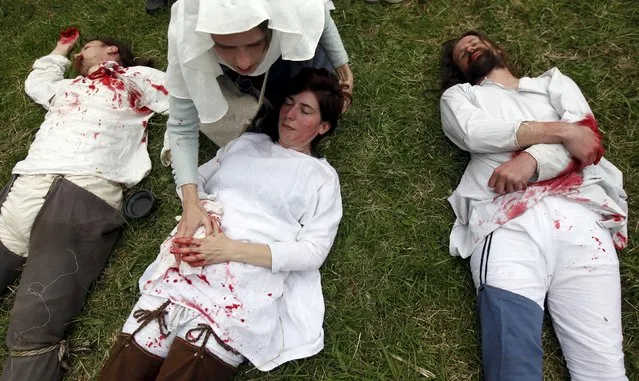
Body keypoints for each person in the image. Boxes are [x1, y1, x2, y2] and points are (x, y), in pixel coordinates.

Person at [99, 68, 348, 381]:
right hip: (185, 266)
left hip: (240, 285)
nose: (290, 114)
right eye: (289, 102)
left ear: (323, 126)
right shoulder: (246, 144)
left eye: (305, 110)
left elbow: (313, 251)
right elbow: (193, 178)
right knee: (122, 371)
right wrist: (198, 209)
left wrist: (231, 249)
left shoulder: (321, 178)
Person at [439, 31, 628, 380]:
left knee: (604, 369)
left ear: (498, 49)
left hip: (584, 223)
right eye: (461, 52)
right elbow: (473, 132)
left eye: (474, 41)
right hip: (507, 224)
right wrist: (561, 132)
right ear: (459, 69)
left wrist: (531, 164)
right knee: (513, 364)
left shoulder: (553, 83)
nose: (468, 46)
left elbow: (586, 140)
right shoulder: (461, 96)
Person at [0, 28, 169, 381]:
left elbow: (182, 99)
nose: (81, 52)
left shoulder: (135, 77)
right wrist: (60, 50)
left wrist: (171, 145)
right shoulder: (68, 87)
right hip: (27, 184)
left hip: (82, 190)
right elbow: (37, 83)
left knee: (34, 328)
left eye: (86, 46)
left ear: (112, 50)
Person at [163, 0, 353, 242]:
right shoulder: (187, 32)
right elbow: (181, 125)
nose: (243, 61)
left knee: (303, 85)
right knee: (259, 126)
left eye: (254, 44)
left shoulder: (290, 7)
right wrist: (191, 201)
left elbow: (320, 15)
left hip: (285, 46)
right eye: (226, 46)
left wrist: (343, 68)